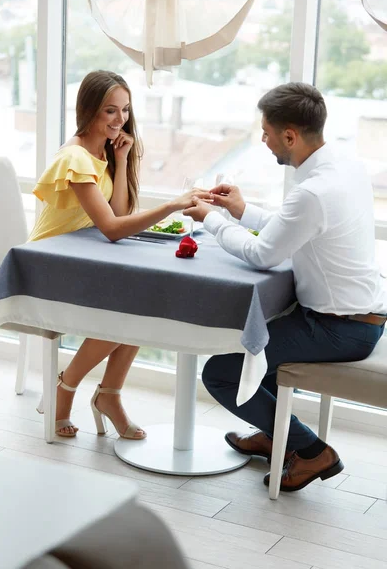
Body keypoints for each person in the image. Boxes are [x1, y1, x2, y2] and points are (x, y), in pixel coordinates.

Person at [183, 82, 387, 492]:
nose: (262, 139)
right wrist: (241, 211)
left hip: (340, 328)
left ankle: (312, 452)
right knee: (257, 357)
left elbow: (262, 256)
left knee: (220, 373)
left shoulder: (313, 191)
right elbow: (295, 229)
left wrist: (211, 219)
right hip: (361, 315)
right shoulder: (343, 166)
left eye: (266, 131)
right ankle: (278, 436)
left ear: (289, 136)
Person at [29, 70, 211, 439]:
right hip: (46, 265)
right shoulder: (76, 158)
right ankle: (66, 387)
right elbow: (113, 228)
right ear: (89, 109)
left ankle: (108, 395)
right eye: (110, 111)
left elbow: (120, 214)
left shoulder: (105, 151)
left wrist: (123, 160)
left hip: (81, 257)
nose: (120, 120)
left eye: (125, 110)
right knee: (130, 308)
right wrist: (172, 205)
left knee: (144, 301)